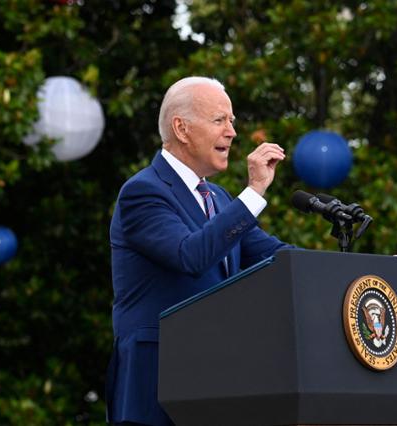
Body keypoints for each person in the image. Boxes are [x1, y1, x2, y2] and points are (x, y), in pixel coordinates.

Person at [106, 76, 293, 425]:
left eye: (232, 122)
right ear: (181, 128)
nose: (232, 133)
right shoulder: (142, 192)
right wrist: (253, 193)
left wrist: (348, 272)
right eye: (219, 120)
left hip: (214, 384)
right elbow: (189, 255)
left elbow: (277, 257)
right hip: (156, 386)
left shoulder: (220, 199)